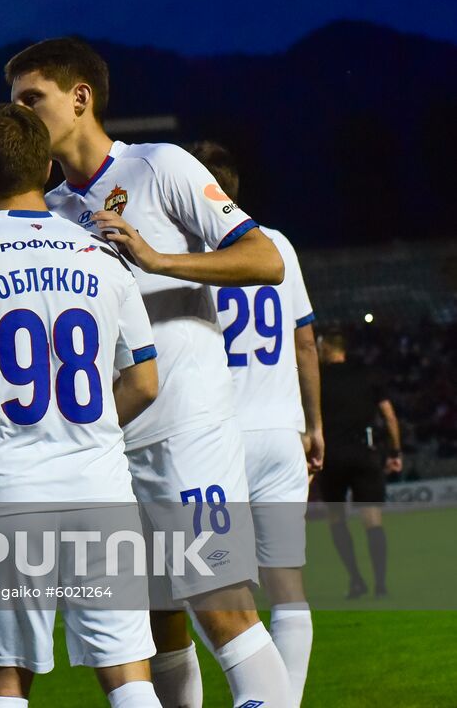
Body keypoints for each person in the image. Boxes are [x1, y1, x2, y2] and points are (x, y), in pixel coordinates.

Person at [7, 37, 293, 708]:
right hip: (112, 436)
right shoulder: (49, 212)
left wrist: (156, 258)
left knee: (218, 602)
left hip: (187, 425)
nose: (18, 116)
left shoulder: (158, 166)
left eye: (30, 100)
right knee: (156, 622)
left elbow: (262, 260)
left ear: (79, 98)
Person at [0, 103, 163, 708]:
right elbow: (145, 381)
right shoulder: (102, 257)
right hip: (100, 487)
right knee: (129, 675)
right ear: (46, 168)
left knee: (4, 681)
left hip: (11, 491)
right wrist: (91, 431)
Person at [190, 141, 321, 705]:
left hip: (218, 438)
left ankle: (260, 695)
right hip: (281, 432)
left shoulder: (192, 256)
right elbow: (306, 342)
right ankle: (282, 699)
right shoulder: (278, 247)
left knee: (216, 589)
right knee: (288, 589)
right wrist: (315, 424)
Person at [316, 330, 401, 598]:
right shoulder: (368, 374)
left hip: (331, 458)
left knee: (336, 519)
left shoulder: (317, 379)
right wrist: (395, 451)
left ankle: (355, 580)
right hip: (365, 454)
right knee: (373, 521)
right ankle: (381, 584)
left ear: (328, 348)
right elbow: (389, 416)